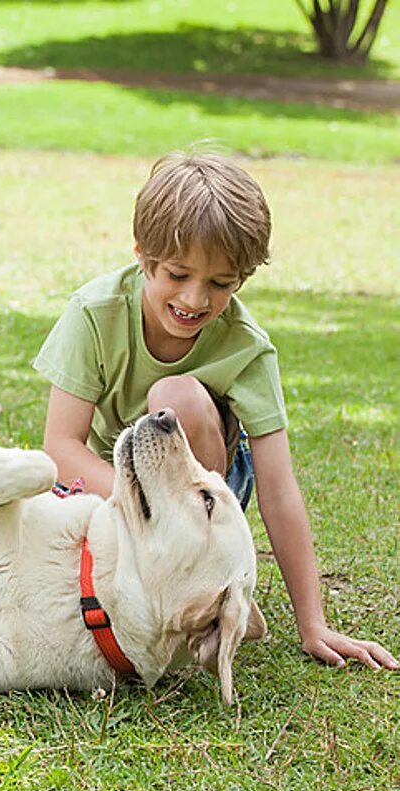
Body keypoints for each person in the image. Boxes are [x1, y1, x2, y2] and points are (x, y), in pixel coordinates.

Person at [33, 149, 397, 672]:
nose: (195, 298)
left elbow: (278, 487)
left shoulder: (246, 347)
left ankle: (198, 560)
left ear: (242, 279)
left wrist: (312, 623)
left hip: (207, 492)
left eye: (221, 284)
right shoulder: (95, 313)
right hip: (116, 483)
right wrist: (139, 508)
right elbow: (61, 447)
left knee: (173, 398)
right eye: (178, 274)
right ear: (142, 256)